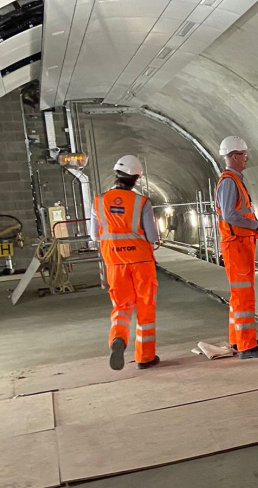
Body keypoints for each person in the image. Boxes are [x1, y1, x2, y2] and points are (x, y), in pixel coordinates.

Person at [91, 155, 160, 371]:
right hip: (141, 262)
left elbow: (94, 235)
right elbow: (152, 237)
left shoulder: (98, 201)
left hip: (114, 263)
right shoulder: (142, 202)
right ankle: (144, 357)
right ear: (136, 178)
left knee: (121, 307)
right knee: (145, 308)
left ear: (116, 174)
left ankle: (118, 339)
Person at [215, 136, 258, 359]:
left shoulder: (234, 180)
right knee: (243, 297)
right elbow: (230, 215)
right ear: (233, 156)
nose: (246, 159)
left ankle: (238, 339)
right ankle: (247, 346)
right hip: (236, 245)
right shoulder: (230, 181)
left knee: (239, 295)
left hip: (241, 244)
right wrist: (257, 225)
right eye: (243, 155)